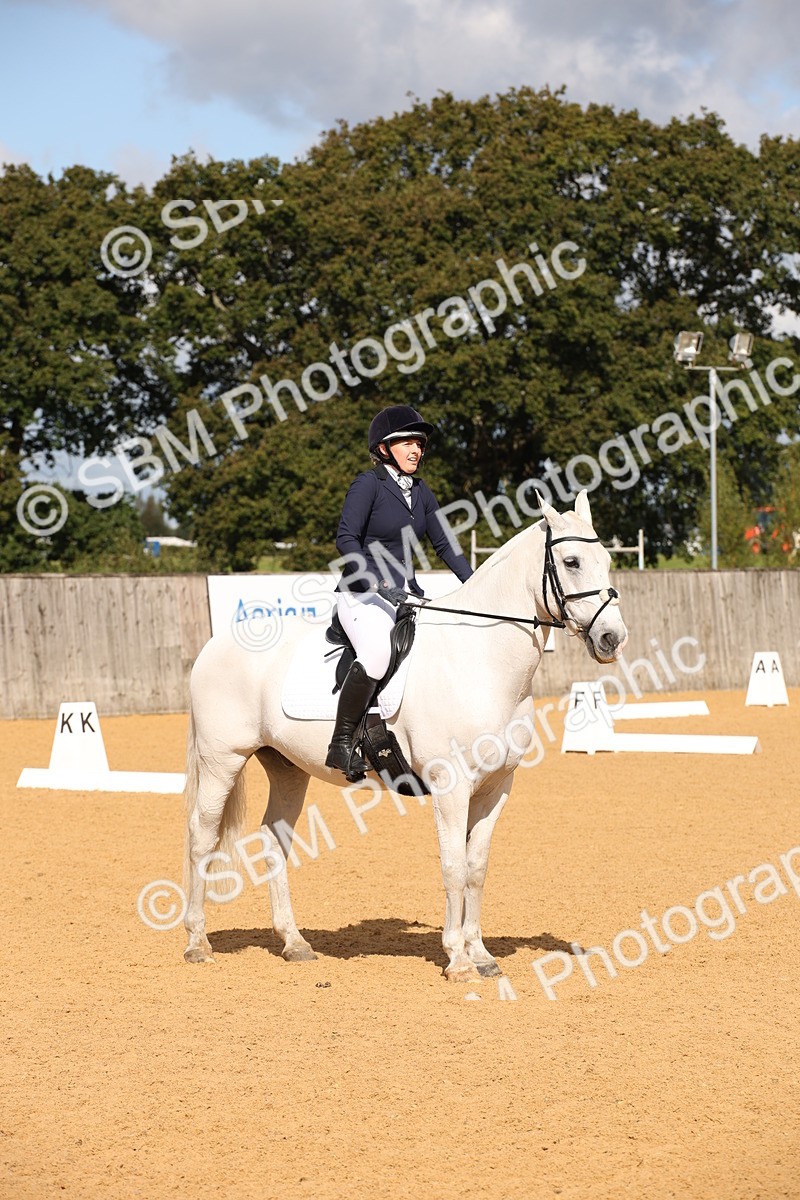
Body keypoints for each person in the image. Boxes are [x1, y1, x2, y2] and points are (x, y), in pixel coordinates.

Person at [325, 404, 473, 780]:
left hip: (407, 596)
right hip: (362, 594)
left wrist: (473, 584)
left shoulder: (422, 492)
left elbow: (445, 545)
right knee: (376, 654)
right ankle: (341, 743)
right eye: (407, 442)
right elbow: (346, 537)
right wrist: (376, 581)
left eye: (420, 444)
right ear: (385, 448)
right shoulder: (368, 484)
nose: (416, 450)